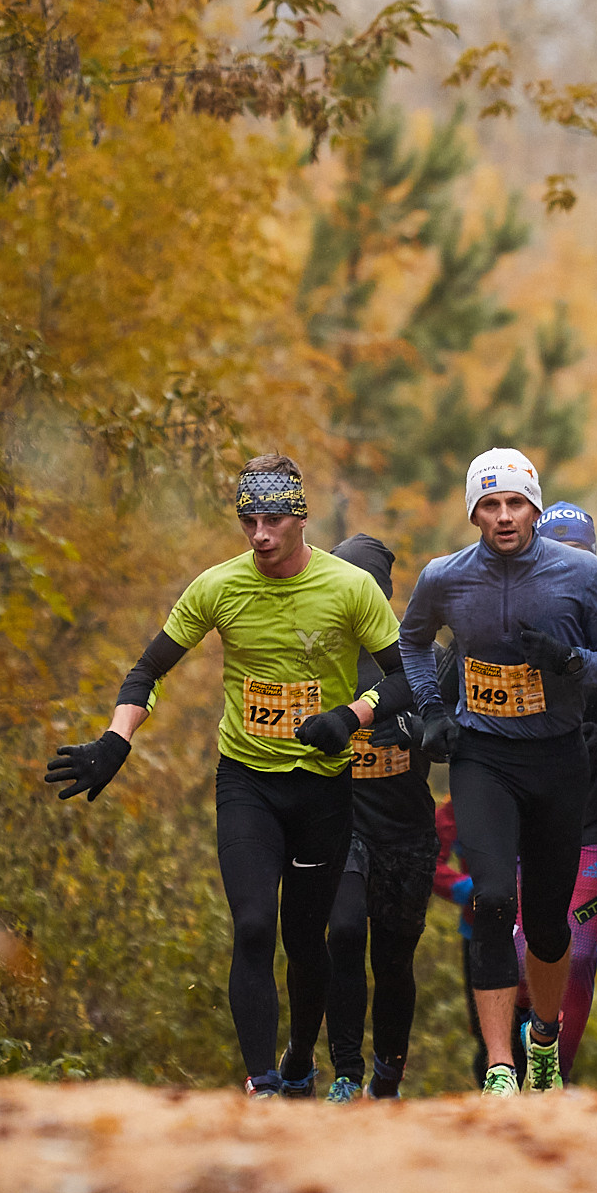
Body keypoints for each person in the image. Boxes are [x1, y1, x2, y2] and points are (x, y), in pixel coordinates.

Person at [45, 455, 409, 1096]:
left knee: (306, 940)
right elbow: (147, 670)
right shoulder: (218, 587)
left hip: (322, 786)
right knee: (253, 925)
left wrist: (348, 716)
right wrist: (115, 740)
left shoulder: (350, 588)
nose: (260, 534)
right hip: (247, 781)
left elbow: (408, 678)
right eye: (249, 521)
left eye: (273, 520)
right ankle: (261, 1083)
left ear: (301, 518)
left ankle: (300, 1057)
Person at [399, 448, 597, 1095]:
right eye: (490, 504)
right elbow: (412, 640)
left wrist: (570, 661)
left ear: (534, 507)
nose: (503, 516)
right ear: (473, 513)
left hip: (557, 757)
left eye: (514, 503)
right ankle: (500, 1065)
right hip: (483, 756)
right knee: (494, 898)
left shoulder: (581, 574)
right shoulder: (445, 576)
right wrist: (432, 710)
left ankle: (544, 1042)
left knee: (549, 923)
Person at [504, 500, 597, 1081]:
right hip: (512, 816)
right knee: (524, 953)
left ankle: (552, 1080)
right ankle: (506, 1062)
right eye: (557, 555)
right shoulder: (503, 623)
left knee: (580, 953)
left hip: (585, 819)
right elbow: (446, 692)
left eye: (581, 556)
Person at [318, 536, 439, 1102]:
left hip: (406, 831)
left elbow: (458, 737)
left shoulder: (424, 657)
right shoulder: (318, 658)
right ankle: (345, 1071)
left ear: (385, 593)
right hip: (339, 823)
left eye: (366, 584)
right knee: (343, 934)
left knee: (393, 961)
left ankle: (387, 1074)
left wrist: (420, 731)